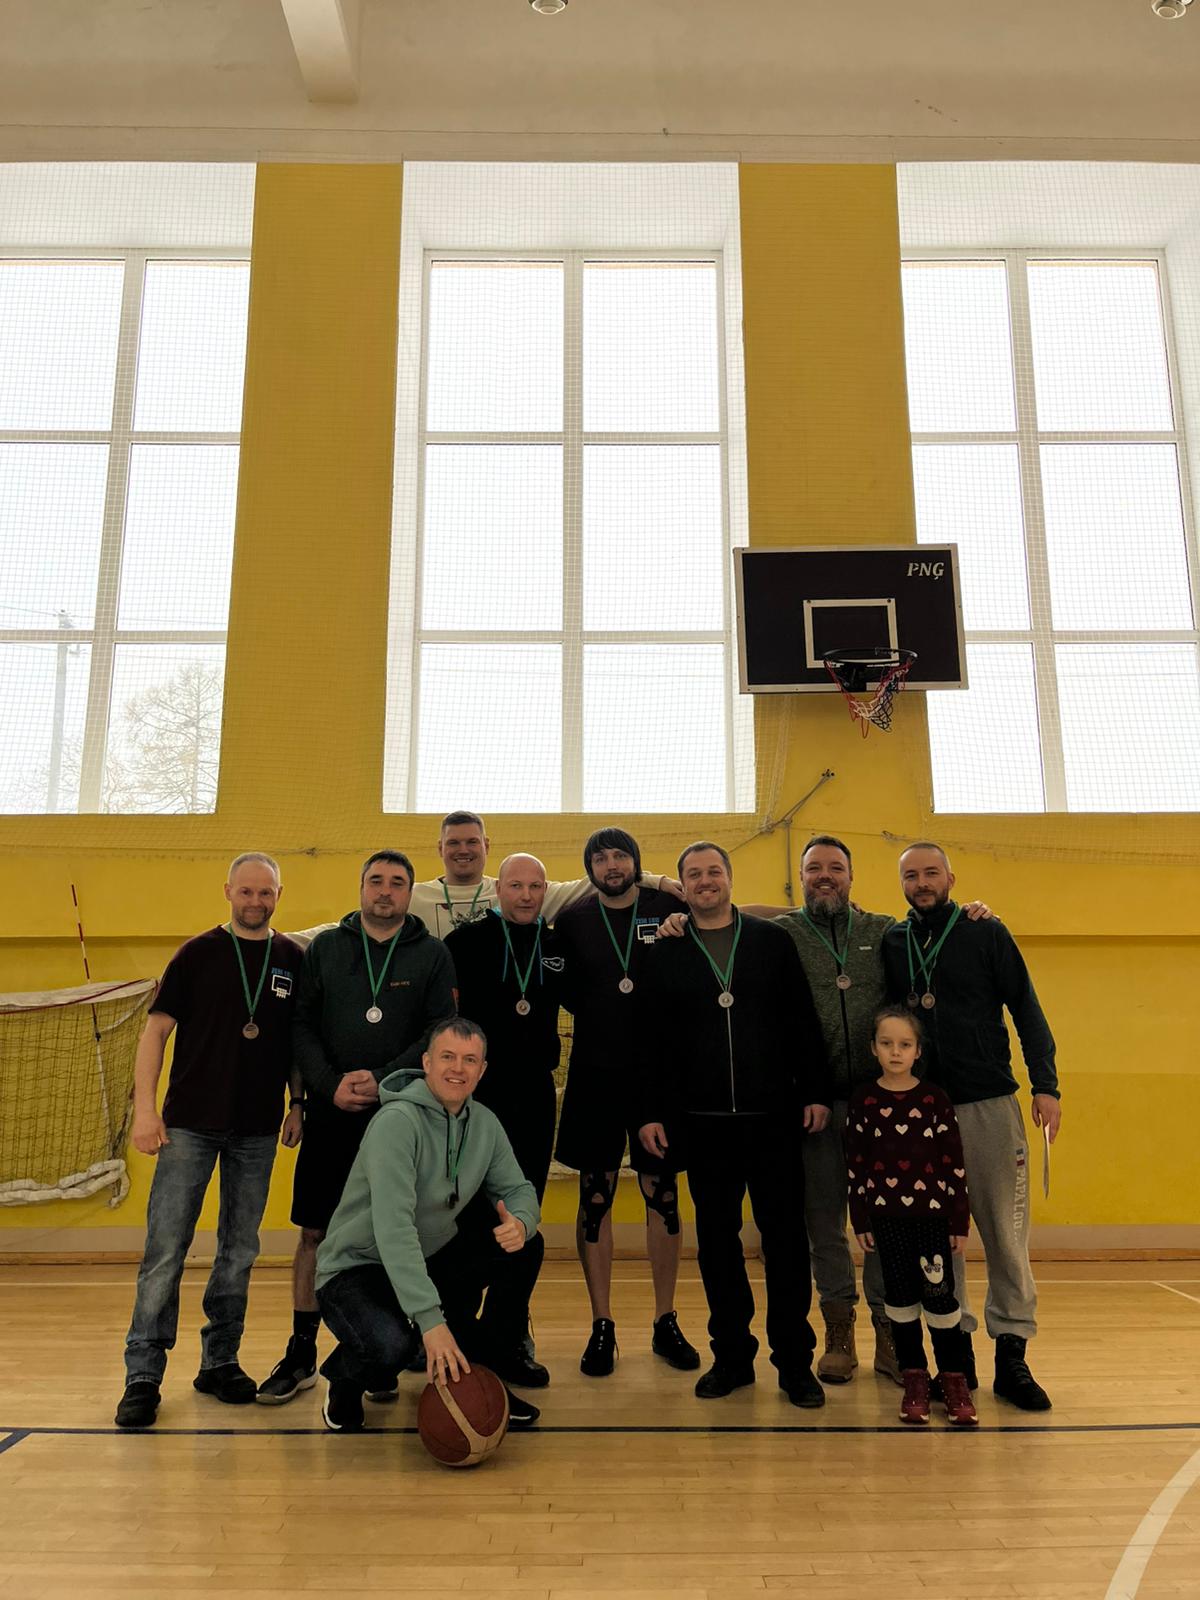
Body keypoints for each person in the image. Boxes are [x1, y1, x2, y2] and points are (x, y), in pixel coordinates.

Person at [636, 842, 832, 1408]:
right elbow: (650, 1041)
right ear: (683, 885)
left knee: (786, 1244)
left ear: (729, 878)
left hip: (773, 1120)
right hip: (702, 1126)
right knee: (718, 1247)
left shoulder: (772, 942)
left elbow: (802, 1020)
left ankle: (794, 1362)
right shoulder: (665, 950)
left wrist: (815, 1091)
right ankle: (731, 1358)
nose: (705, 881)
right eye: (694, 874)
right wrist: (650, 1110)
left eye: (714, 871)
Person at [257, 849, 456, 1404]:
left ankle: (374, 1350)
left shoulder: (432, 954)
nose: (385, 891)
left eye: (397, 882)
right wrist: (327, 1086)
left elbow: (439, 1031)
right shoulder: (326, 948)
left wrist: (384, 1079)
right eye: (376, 881)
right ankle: (301, 1353)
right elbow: (300, 1025)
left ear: (410, 892)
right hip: (332, 1113)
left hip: (402, 1119)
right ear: (362, 887)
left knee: (397, 1232)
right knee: (315, 1234)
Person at [115, 854, 305, 1429]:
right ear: (228, 891)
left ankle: (220, 1361)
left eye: (265, 892)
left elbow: (298, 1041)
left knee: (239, 1250)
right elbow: (155, 1033)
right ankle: (143, 1375)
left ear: (278, 895)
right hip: (189, 1126)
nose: (255, 901)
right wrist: (145, 1112)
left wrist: (298, 1102)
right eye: (246, 891)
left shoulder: (293, 958)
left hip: (257, 1130)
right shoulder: (196, 954)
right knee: (166, 1249)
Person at [881, 841, 1062, 1411]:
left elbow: (1026, 1008)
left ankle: (1013, 1356)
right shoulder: (893, 941)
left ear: (951, 878)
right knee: (941, 1245)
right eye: (911, 875)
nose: (922, 882)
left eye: (931, 872)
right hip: (921, 1114)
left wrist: (1046, 1084)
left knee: (1006, 1236)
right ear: (901, 884)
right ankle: (955, 1361)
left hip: (989, 1105)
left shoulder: (987, 932)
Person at [314, 1016, 543, 1431]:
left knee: (527, 1246)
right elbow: (394, 1231)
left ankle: (485, 1369)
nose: (458, 1068)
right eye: (447, 1057)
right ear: (426, 1062)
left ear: (482, 1070)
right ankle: (345, 1376)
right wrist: (430, 1321)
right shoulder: (396, 1123)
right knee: (391, 1347)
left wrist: (522, 1222)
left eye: (469, 1060)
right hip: (358, 1267)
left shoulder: (485, 1123)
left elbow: (518, 1189)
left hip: (429, 1256)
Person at [553, 826, 700, 1378]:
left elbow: (730, 916)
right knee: (595, 1199)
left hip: (660, 1079)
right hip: (594, 1076)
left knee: (664, 1197)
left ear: (636, 862)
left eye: (620, 855)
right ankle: (602, 1324)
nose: (611, 865)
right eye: (601, 857)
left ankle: (665, 1320)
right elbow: (566, 991)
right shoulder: (571, 922)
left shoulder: (670, 908)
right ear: (589, 868)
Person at [442, 853, 560, 1388]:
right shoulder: (464, 943)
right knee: (467, 1212)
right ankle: (457, 1331)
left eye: (536, 886)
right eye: (516, 885)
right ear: (499, 889)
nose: (527, 895)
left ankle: (509, 1334)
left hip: (535, 1095)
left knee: (523, 1213)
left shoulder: (557, 945)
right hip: (477, 1096)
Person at [845, 1007, 977, 1427]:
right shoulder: (864, 1101)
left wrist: (958, 1221)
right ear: (873, 1048)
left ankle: (953, 1380)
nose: (895, 1052)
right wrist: (861, 1219)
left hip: (933, 1221)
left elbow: (954, 1165)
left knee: (940, 1298)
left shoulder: (934, 1100)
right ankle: (914, 1379)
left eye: (904, 1044)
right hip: (886, 1222)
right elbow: (856, 1166)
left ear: (918, 1051)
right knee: (900, 1300)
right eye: (887, 1043)